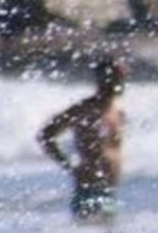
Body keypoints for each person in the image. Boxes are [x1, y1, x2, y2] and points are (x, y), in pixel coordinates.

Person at [37, 57, 128, 223]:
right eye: (116, 76)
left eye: (123, 76)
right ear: (102, 78)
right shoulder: (85, 109)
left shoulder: (117, 111)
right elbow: (46, 135)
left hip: (110, 191)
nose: (121, 81)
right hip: (89, 190)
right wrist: (70, 166)